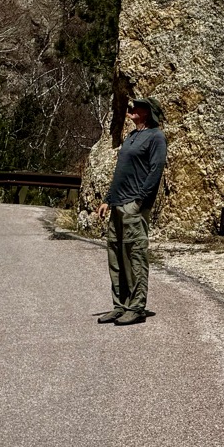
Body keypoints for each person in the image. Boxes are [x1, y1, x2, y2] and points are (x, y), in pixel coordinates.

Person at [96, 96, 167, 325]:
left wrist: (139, 201)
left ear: (147, 112)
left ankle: (136, 307)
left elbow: (155, 171)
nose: (132, 109)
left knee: (134, 256)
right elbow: (120, 172)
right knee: (116, 257)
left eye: (137, 107)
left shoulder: (156, 137)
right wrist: (108, 199)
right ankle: (120, 306)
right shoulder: (131, 137)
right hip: (118, 204)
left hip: (133, 206)